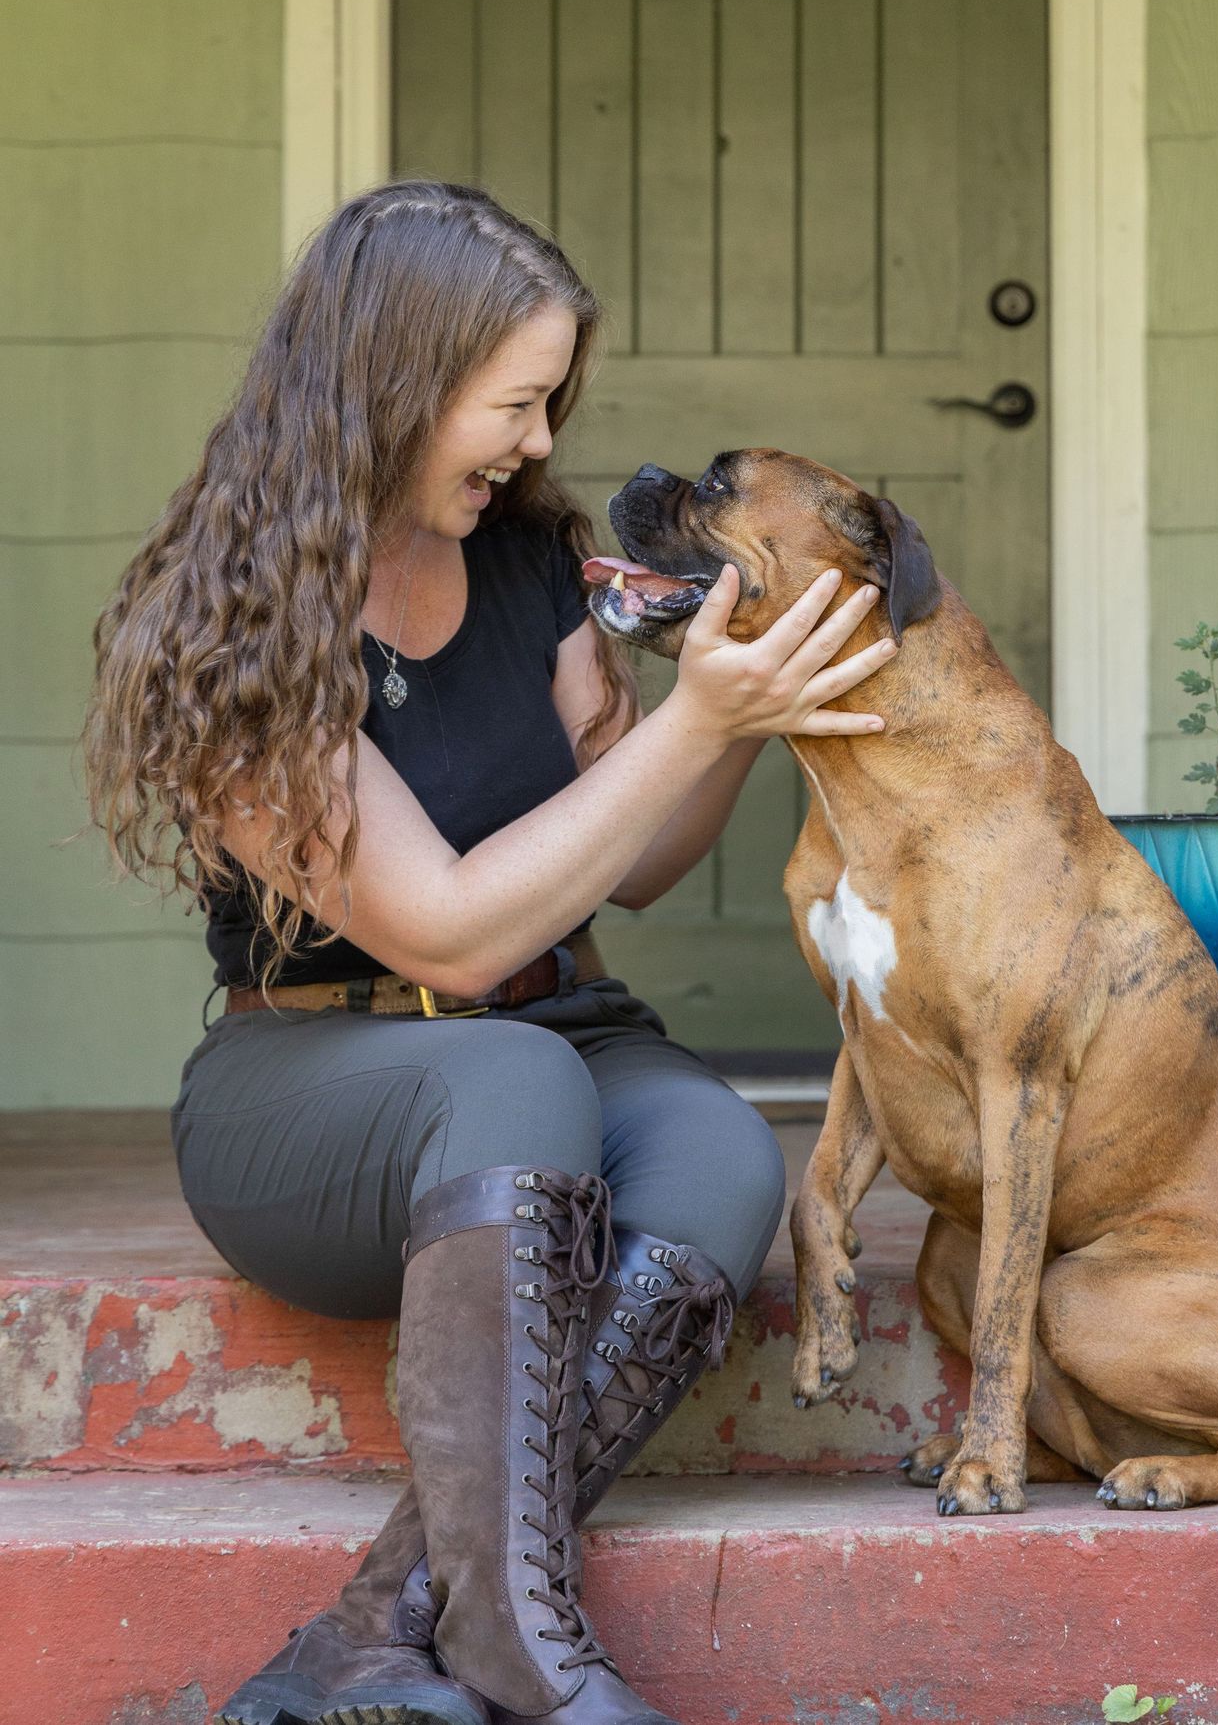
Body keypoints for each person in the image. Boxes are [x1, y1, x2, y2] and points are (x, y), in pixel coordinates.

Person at [82, 181, 894, 1725]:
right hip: (313, 1080)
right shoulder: (242, 610)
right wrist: (710, 721)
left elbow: (636, 864)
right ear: (393, 382)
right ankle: (532, 1652)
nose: (537, 441)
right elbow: (445, 931)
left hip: (558, 1031)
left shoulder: (532, 563)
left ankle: (374, 1631)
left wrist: (737, 710)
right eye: (512, 402)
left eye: (550, 402)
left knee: (724, 1157)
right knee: (512, 1073)